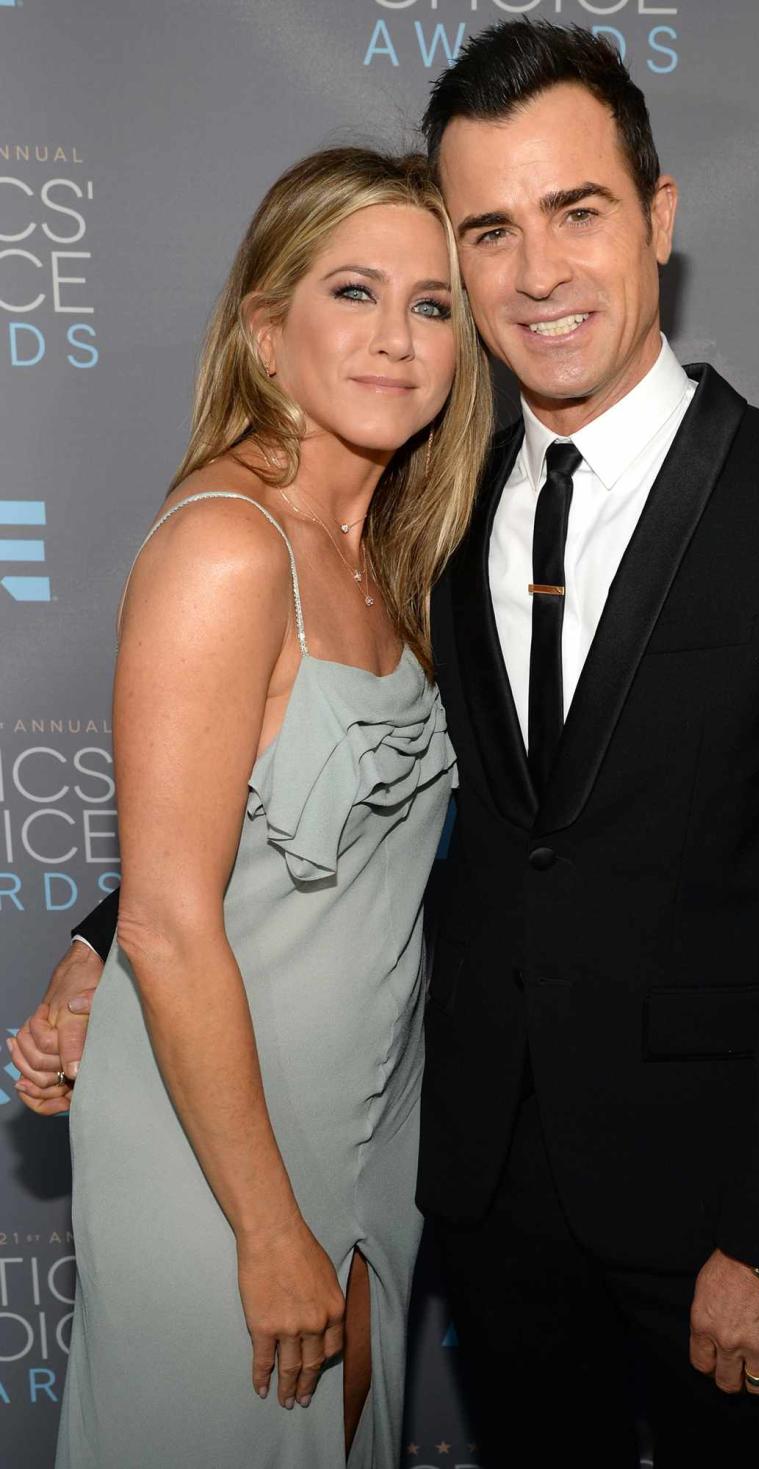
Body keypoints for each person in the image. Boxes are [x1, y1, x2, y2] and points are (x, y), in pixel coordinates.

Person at [16, 21, 759, 1469]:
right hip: (478, 1196)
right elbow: (260, 776)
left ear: (659, 219)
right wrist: (107, 932)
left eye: (577, 213)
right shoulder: (431, 519)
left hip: (711, 1223)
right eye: (489, 232)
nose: (538, 273)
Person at [10, 146, 491, 1469]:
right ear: (267, 333)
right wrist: (268, 1226)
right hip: (217, 1140)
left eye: (434, 303)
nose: (399, 338)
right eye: (355, 292)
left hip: (365, 1112)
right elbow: (171, 917)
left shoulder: (398, 548)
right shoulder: (230, 547)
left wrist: (83, 942)